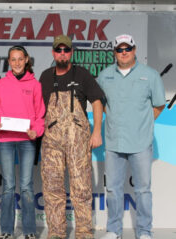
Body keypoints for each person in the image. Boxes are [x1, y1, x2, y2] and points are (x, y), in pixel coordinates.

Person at [97, 34, 166, 239]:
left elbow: (159, 104)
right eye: (120, 49)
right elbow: (99, 103)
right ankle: (113, 230)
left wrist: (142, 121)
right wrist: (116, 118)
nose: (124, 52)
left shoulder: (150, 75)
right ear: (115, 53)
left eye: (128, 49)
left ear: (135, 51)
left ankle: (145, 231)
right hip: (114, 141)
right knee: (113, 190)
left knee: (143, 190)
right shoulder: (105, 75)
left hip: (141, 143)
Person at [39, 35, 104, 239]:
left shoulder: (82, 74)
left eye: (66, 50)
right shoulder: (45, 77)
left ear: (71, 52)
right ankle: (56, 232)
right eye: (59, 50)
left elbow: (97, 102)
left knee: (81, 187)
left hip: (78, 140)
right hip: (52, 142)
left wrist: (97, 132)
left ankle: (84, 231)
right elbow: (38, 108)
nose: (62, 54)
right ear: (53, 53)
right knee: (52, 187)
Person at [0, 45, 45, 239]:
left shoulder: (35, 85)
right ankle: (7, 230)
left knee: (27, 185)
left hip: (27, 141)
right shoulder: (0, 85)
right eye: (13, 59)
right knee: (9, 186)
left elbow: (40, 114)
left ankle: (29, 230)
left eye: (21, 59)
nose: (17, 63)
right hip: (5, 140)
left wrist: (36, 131)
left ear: (26, 60)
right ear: (9, 62)